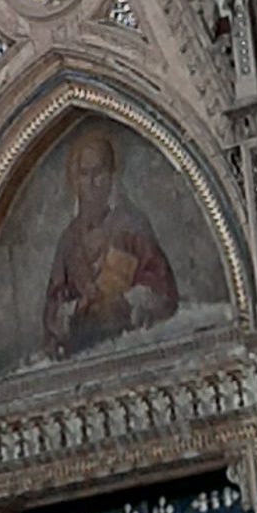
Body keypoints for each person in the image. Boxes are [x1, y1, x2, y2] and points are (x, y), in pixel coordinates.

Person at [42, 129, 179, 357]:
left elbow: (162, 287)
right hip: (85, 354)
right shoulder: (69, 241)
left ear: (111, 176)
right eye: (84, 174)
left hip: (135, 348)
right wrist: (78, 307)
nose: (92, 182)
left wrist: (124, 300)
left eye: (98, 172)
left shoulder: (132, 225)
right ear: (76, 181)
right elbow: (53, 310)